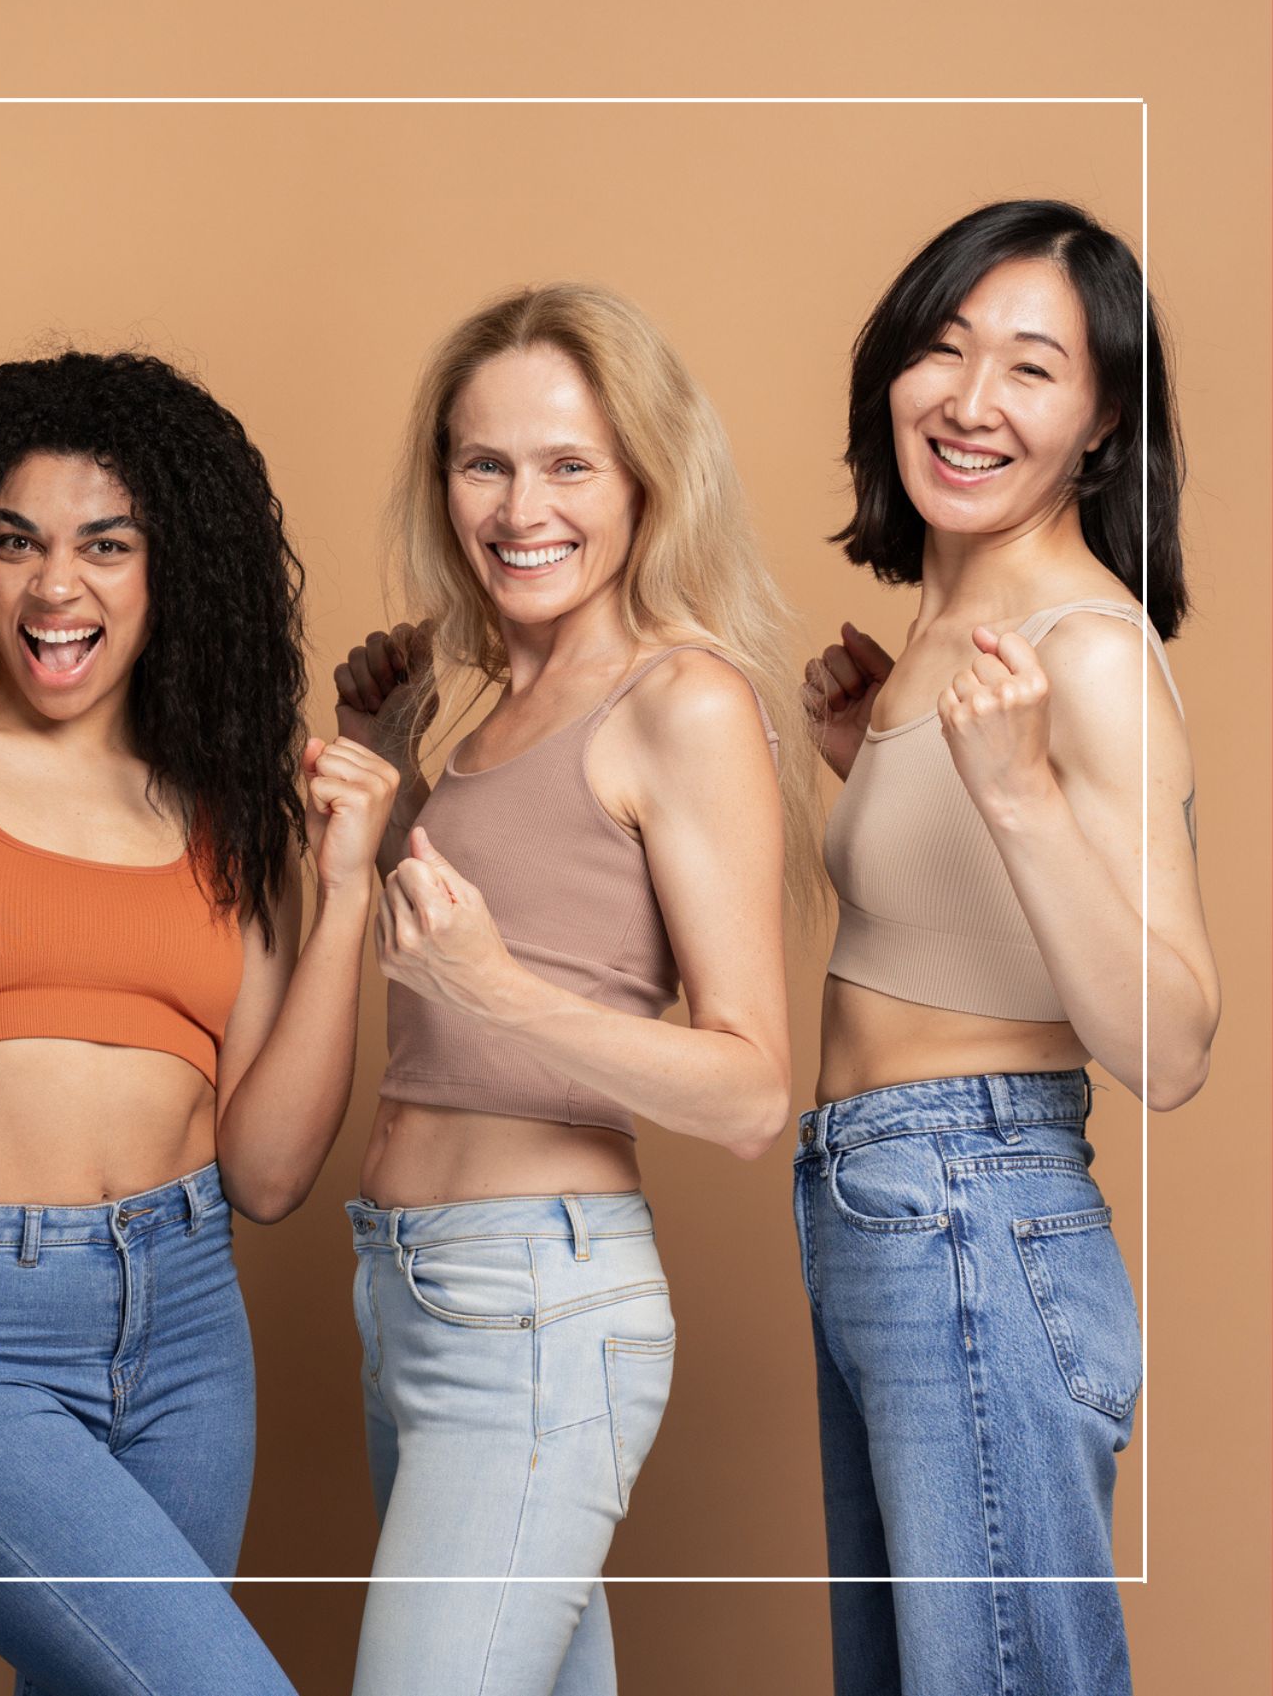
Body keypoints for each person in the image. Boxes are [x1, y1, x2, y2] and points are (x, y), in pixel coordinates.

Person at [0, 350, 398, 1695]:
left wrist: (343, 894)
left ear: (172, 571)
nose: (58, 588)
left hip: (190, 1325)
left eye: (106, 545)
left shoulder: (226, 806)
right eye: (17, 544)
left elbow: (270, 1172)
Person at [328, 284, 815, 1696]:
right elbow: (451, 994)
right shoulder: (485, 709)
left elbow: (750, 1088)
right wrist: (390, 753)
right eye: (485, 462)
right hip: (409, 1293)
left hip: (536, 1308)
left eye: (568, 465)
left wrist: (501, 986)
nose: (520, 505)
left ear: (644, 482)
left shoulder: (683, 701)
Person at [793, 199, 1216, 1696]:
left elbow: (1170, 1039)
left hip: (972, 1205)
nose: (971, 400)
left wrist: (1021, 795)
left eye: (1033, 368)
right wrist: (875, 767)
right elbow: (980, 940)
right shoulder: (950, 632)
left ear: (1101, 427)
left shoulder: (1086, 649)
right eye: (944, 348)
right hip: (881, 1203)